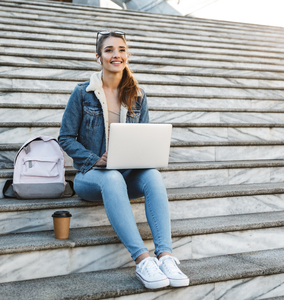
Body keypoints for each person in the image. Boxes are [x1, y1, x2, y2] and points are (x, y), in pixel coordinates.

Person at [58, 30, 189, 290]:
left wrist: (143, 155)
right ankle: (142, 260)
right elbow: (65, 138)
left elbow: (143, 138)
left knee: (152, 175)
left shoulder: (137, 95)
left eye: (121, 49)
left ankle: (165, 257)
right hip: (90, 176)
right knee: (112, 177)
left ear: (127, 55)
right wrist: (95, 159)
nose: (116, 55)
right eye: (109, 50)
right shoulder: (82, 93)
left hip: (125, 174)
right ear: (98, 57)